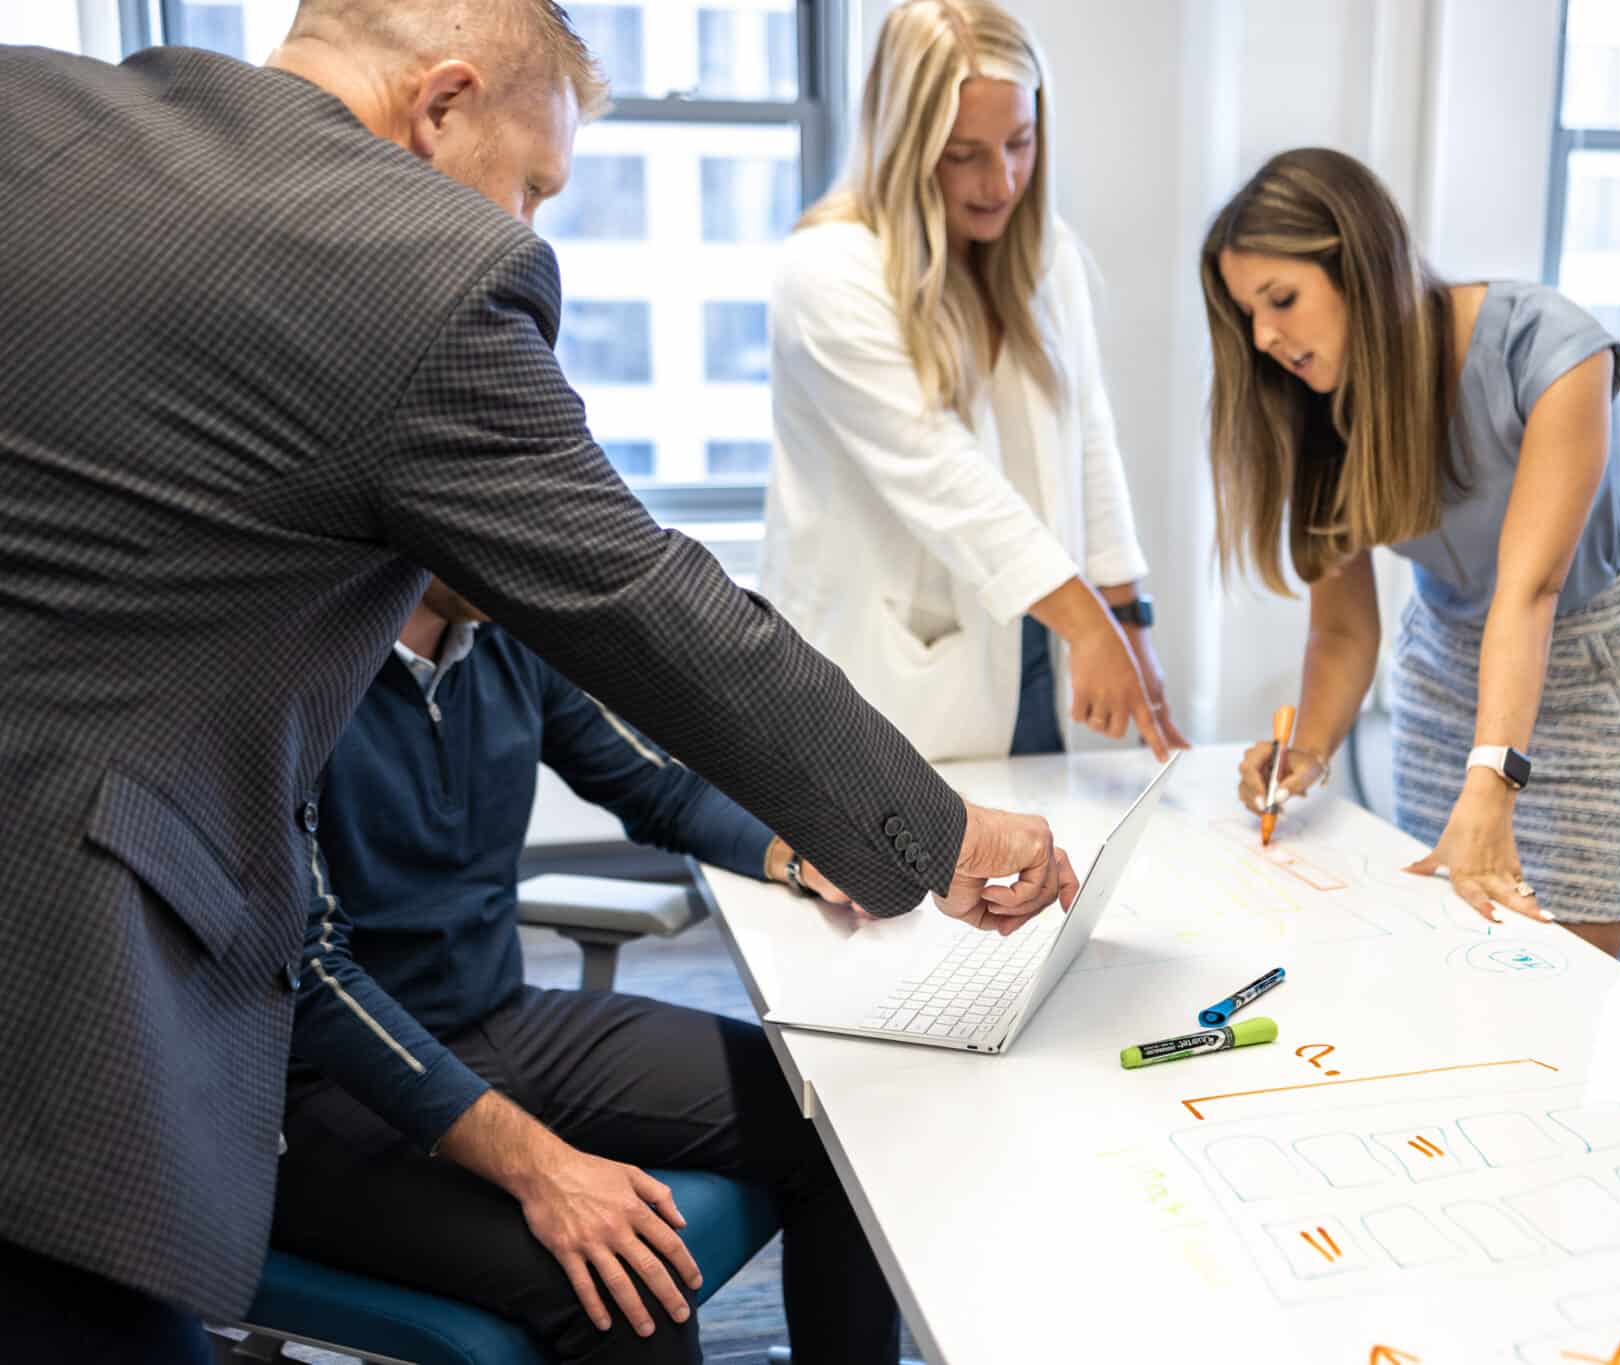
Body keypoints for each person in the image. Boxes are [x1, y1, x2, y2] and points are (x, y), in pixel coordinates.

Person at [0, 5, 1077, 1356]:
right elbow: (648, 599)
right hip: (104, 1043)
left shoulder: (37, 113)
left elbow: (640, 761)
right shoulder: (401, 277)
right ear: (440, 105)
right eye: (535, 189)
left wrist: (810, 849)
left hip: (165, 985)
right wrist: (934, 827)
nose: (529, 233)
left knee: (818, 1110)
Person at [277, 579, 894, 1362]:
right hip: (327, 1091)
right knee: (626, 1285)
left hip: (496, 1017)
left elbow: (655, 782)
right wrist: (545, 1169)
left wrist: (799, 855)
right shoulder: (294, 673)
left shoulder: (504, 636)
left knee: (835, 1119)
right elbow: (311, 972)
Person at [1203, 148, 1620, 958]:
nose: (1265, 337)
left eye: (1281, 300)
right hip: (1450, 668)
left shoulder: (1554, 352)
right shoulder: (1319, 403)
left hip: (1591, 670)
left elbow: (1529, 593)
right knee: (1448, 957)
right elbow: (1345, 632)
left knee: (1570, 974)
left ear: (1361, 265)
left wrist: (1492, 781)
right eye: (1249, 313)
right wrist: (1304, 753)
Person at [760, 0, 1186, 763]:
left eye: (1019, 143)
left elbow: (1090, 435)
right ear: (904, 142)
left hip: (1029, 645)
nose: (1002, 180)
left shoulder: (1045, 255)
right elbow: (941, 472)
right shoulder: (827, 273)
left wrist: (1129, 623)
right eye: (965, 154)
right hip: (889, 676)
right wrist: (1090, 625)